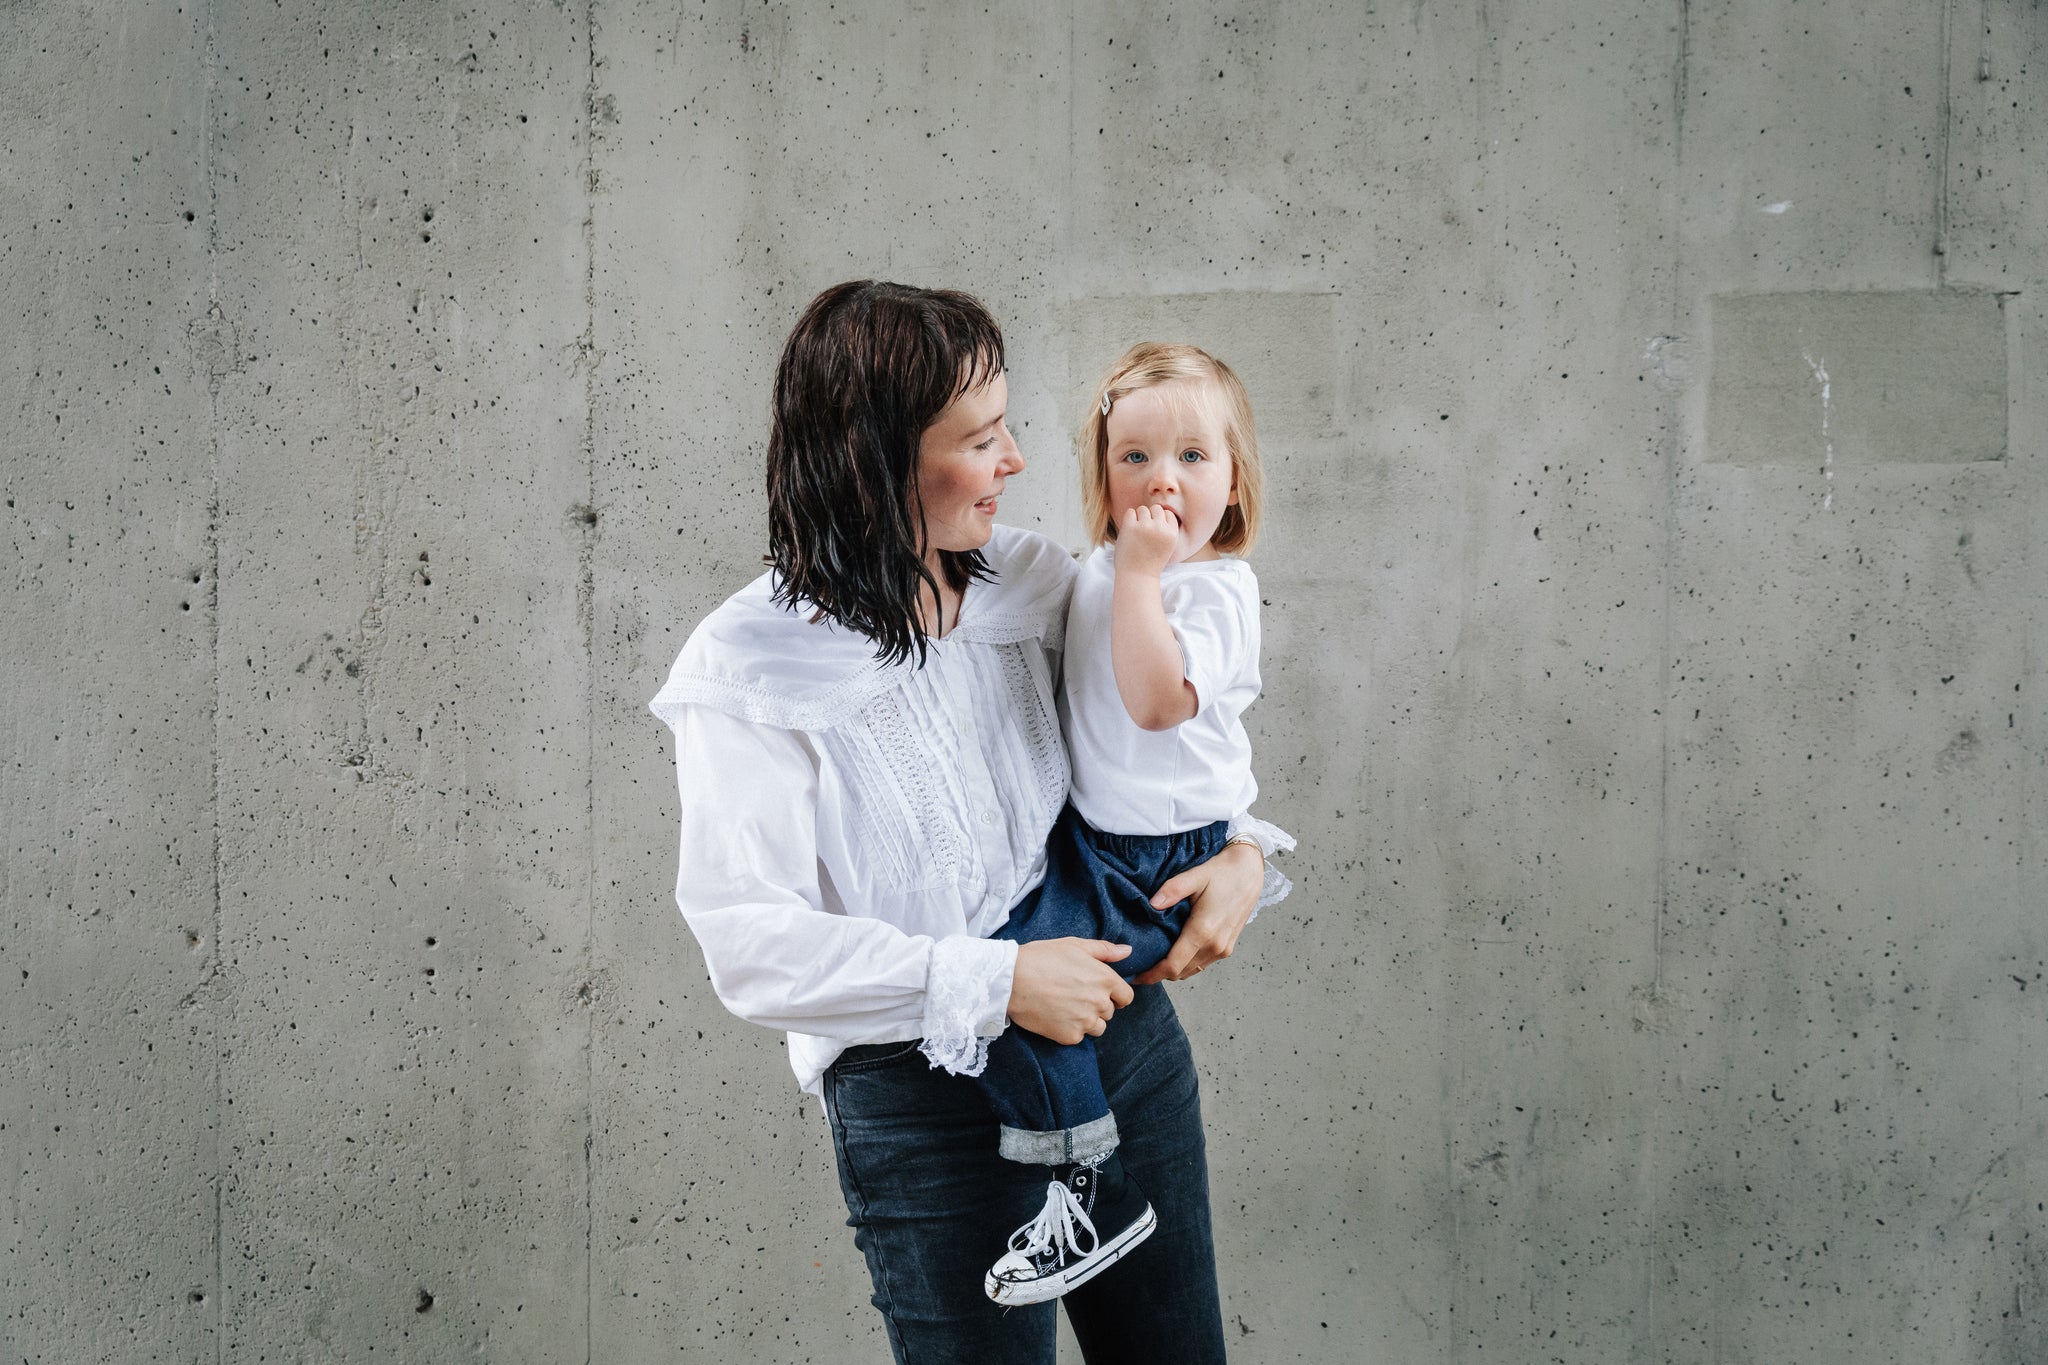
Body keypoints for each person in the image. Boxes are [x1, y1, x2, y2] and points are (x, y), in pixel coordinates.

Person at [649, 281, 1288, 1364]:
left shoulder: (1031, 583)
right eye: (981, 439)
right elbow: (747, 943)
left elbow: (1165, 726)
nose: (1017, 463)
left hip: (1117, 1037)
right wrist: (993, 982)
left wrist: (1242, 850)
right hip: (926, 1101)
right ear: (877, 459)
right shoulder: (746, 666)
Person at [977, 343, 1291, 1307]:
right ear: (1101, 478)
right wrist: (1131, 570)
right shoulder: (1105, 567)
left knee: (1013, 981)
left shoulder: (1213, 589)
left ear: (1234, 484)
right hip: (1091, 835)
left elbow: (1157, 702)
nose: (1164, 481)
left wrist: (1148, 575)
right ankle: (1080, 1177)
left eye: (1195, 458)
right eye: (1136, 458)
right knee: (999, 968)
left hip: (1159, 858)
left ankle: (1089, 1188)